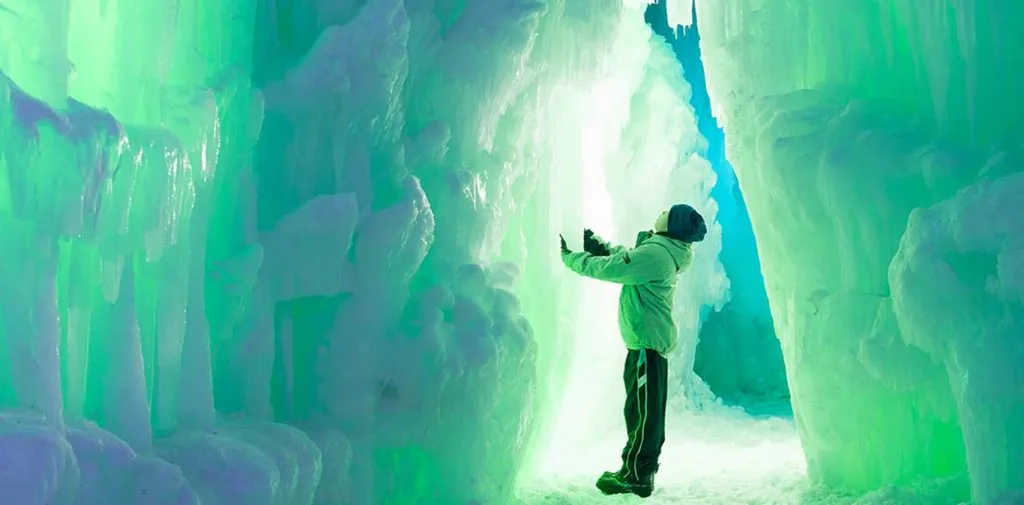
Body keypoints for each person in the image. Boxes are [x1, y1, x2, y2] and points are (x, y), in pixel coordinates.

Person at [558, 203, 707, 498]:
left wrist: (571, 258)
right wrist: (598, 245)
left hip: (646, 347)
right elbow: (625, 257)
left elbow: (614, 268)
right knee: (640, 410)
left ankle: (639, 476)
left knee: (644, 413)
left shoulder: (657, 255)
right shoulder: (661, 250)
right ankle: (633, 469)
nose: (661, 212)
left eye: (667, 212)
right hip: (644, 345)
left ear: (672, 224)